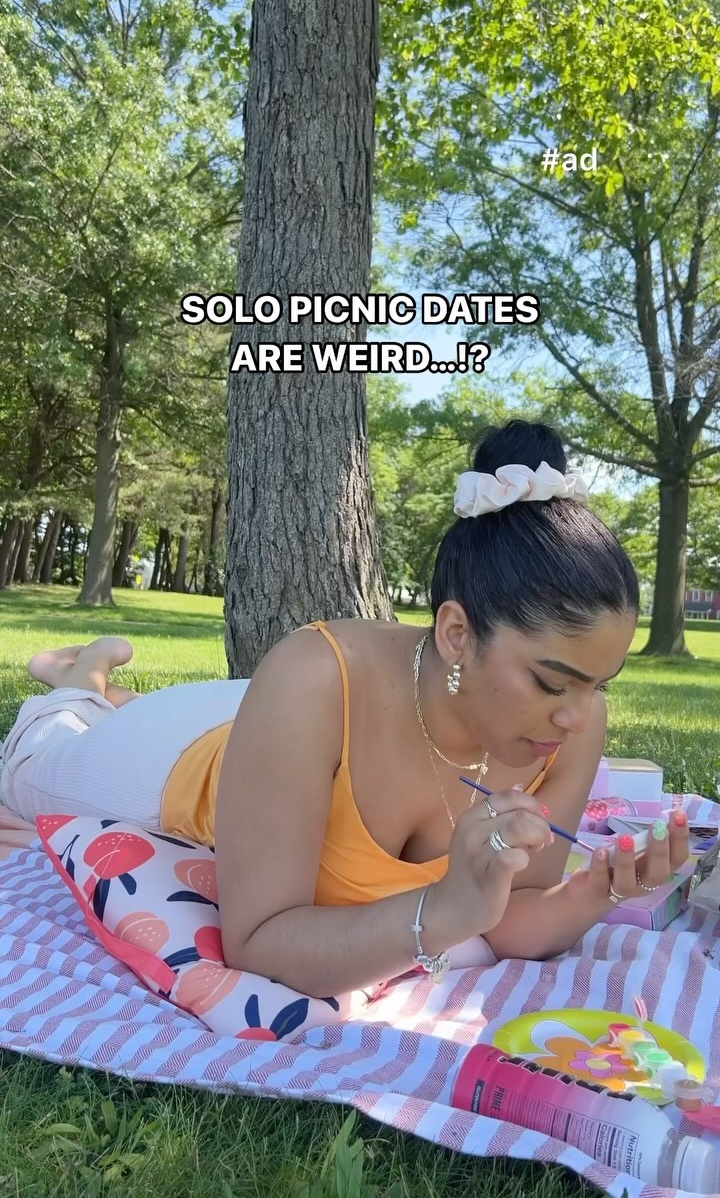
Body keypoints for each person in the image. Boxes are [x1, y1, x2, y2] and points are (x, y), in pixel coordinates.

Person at [0, 420, 688, 998]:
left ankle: (105, 689)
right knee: (30, 761)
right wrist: (441, 910)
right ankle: (79, 682)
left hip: (277, 728)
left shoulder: (571, 728)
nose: (577, 717)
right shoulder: (314, 676)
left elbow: (511, 913)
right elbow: (259, 946)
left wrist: (600, 889)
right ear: (456, 634)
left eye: (599, 686)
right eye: (552, 683)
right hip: (173, 762)